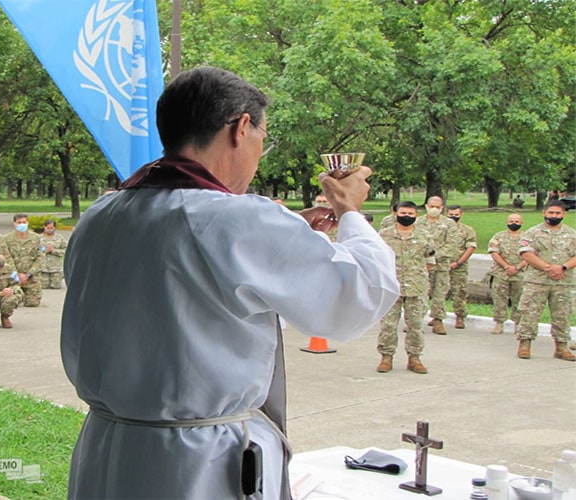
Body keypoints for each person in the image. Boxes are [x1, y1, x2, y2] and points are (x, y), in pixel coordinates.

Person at [60, 66, 399, 500]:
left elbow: (172, 260)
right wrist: (350, 211)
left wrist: (288, 232)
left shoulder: (102, 215)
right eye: (263, 139)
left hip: (109, 447)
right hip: (197, 464)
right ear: (241, 128)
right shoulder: (240, 219)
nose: (260, 154)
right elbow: (358, 296)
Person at [377, 201, 436, 374]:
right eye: (403, 213)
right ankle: (386, 357)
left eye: (410, 214)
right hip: (391, 286)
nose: (406, 216)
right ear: (395, 214)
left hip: (416, 287)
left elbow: (430, 260)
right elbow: (376, 259)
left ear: (416, 215)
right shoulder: (384, 235)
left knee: (415, 325)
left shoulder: (425, 236)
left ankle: (414, 358)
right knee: (388, 324)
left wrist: (417, 276)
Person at [515, 200, 576, 361]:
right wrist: (548, 268)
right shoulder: (532, 233)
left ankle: (561, 348)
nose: (554, 216)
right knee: (529, 313)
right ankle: (525, 345)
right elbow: (526, 253)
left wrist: (562, 267)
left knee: (562, 315)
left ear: (564, 214)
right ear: (544, 213)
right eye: (551, 213)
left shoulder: (571, 234)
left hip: (563, 282)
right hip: (537, 281)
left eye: (557, 213)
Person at [416, 196, 456, 335]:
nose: (434, 209)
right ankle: (416, 321)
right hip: (422, 265)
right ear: (426, 206)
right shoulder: (418, 222)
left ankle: (438, 320)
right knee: (420, 293)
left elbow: (451, 244)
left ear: (442, 207)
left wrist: (433, 256)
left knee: (440, 293)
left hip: (441, 265)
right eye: (431, 206)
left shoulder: (449, 223)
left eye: (437, 207)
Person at [487, 213, 526, 334]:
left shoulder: (527, 238)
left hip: (521, 274)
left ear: (521, 223)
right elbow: (494, 252)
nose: (514, 224)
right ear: (507, 222)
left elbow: (531, 255)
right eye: (511, 221)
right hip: (501, 273)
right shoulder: (498, 236)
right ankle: (499, 323)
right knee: (499, 299)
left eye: (517, 221)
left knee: (519, 300)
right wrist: (506, 266)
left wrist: (518, 267)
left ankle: (518, 324)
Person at [0, 213, 45, 307]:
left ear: (27, 223)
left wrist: (28, 274)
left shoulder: (37, 238)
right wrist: (17, 274)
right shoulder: (6, 239)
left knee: (32, 304)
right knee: (10, 302)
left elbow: (40, 258)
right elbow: (6, 258)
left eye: (24, 222)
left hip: (31, 278)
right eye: (19, 222)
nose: (21, 224)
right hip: (12, 278)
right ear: (14, 223)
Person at [446, 205, 477, 329]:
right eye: (451, 214)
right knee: (436, 292)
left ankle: (460, 317)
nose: (453, 217)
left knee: (459, 292)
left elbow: (471, 248)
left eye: (456, 215)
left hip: (459, 266)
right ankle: (436, 316)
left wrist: (458, 262)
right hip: (440, 266)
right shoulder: (441, 228)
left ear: (461, 214)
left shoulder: (467, 230)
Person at [40, 219, 68, 289]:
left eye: (52, 228)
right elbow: (33, 252)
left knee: (55, 286)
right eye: (48, 228)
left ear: (55, 228)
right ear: (44, 227)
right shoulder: (38, 238)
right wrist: (45, 251)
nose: (49, 230)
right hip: (43, 268)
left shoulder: (60, 238)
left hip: (56, 268)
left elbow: (66, 250)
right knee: (43, 286)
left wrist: (53, 251)